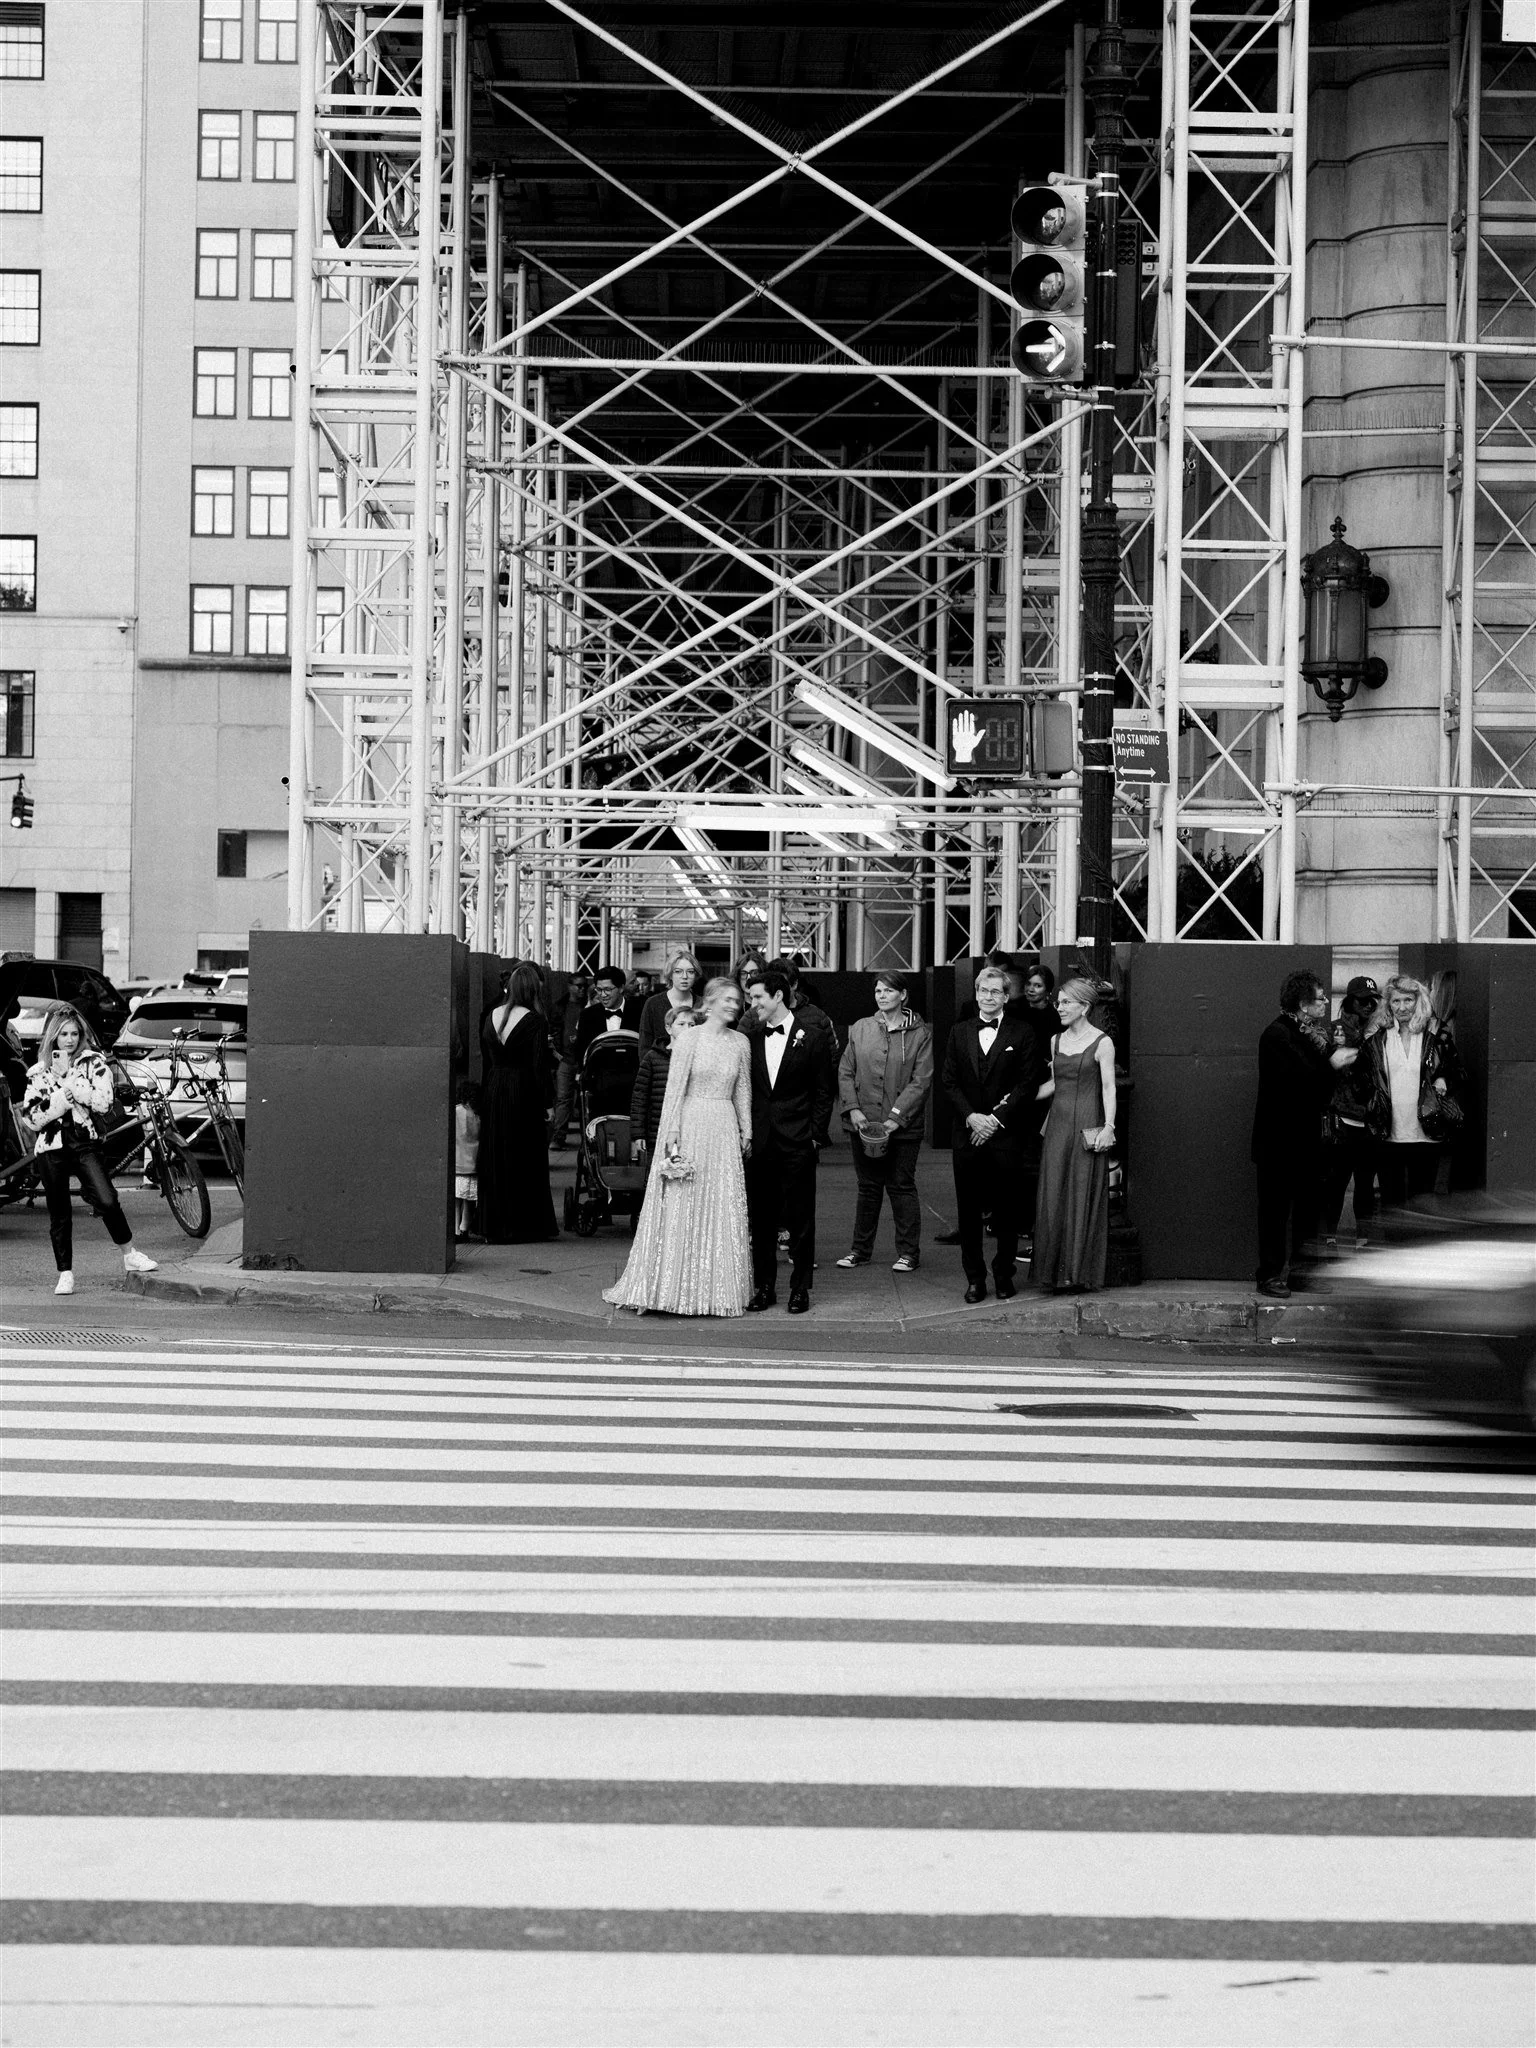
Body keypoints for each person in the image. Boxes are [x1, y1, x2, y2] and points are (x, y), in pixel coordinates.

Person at [603, 978, 752, 1317]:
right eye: (727, 999)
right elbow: (674, 1089)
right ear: (709, 1002)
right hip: (691, 1121)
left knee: (722, 1203)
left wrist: (748, 1130)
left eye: (737, 1000)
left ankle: (715, 1291)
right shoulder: (688, 1039)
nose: (734, 1005)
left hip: (724, 1126)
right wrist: (671, 1131)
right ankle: (670, 1286)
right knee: (683, 1203)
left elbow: (742, 1089)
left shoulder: (741, 1043)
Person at [20, 1005, 157, 1296]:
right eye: (63, 1034)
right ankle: (65, 1273)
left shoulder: (93, 1063)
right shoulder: (38, 1071)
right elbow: (31, 1118)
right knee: (60, 1212)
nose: (68, 1040)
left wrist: (74, 1085)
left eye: (74, 1034)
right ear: (53, 1037)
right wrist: (60, 1094)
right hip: (52, 1147)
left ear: (81, 1035)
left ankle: (129, 1254)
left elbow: (104, 1102)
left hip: (84, 1142)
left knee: (106, 1199)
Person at [939, 964, 1046, 1303]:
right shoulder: (959, 1031)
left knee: (1007, 1211)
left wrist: (995, 1120)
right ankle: (974, 1279)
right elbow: (949, 1081)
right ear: (976, 994)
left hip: (1006, 1136)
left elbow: (1027, 1084)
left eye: (995, 991)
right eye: (983, 991)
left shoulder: (1023, 1032)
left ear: (1006, 996)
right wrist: (972, 1118)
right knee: (968, 1211)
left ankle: (1003, 1275)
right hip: (967, 1134)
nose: (988, 997)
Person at [1251, 969, 1354, 1298]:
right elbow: (1302, 1080)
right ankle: (1269, 1275)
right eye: (1319, 998)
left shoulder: (1312, 1035)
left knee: (1307, 1210)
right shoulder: (1277, 1035)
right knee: (1275, 1212)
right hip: (1278, 1143)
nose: (1325, 1003)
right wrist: (1332, 1065)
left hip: (1307, 1141)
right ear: (1302, 1004)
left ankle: (1300, 1273)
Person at [744, 965, 837, 1314]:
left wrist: (815, 1135)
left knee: (800, 1218)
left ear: (778, 995)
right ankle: (764, 1287)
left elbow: (824, 1091)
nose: (753, 1004)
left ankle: (800, 1288)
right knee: (762, 1219)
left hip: (798, 1140)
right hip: (761, 1141)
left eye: (757, 997)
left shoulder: (811, 1037)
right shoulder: (750, 1039)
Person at [836, 971, 933, 1274]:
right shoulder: (862, 1028)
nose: (881, 995)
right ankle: (859, 1250)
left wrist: (895, 1118)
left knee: (901, 1186)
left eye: (888, 990)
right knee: (868, 1188)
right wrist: (852, 1109)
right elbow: (845, 1070)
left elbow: (922, 1080)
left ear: (903, 995)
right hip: (863, 1125)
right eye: (878, 990)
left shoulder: (920, 1034)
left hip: (904, 1127)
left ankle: (908, 1253)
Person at [1030, 976, 1118, 1294]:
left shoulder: (1103, 1042)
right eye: (1059, 1002)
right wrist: (1018, 1098)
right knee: (1053, 1194)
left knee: (1081, 1194)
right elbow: (1054, 1084)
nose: (1060, 1007)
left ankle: (1078, 1274)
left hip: (1087, 1126)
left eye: (1066, 1002)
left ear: (1084, 1006)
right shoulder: (1055, 1041)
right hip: (1057, 1127)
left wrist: (1109, 1127)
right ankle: (1053, 1274)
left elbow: (1109, 1087)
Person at [1365, 973, 1466, 1218]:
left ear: (1418, 1001)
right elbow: (1364, 1079)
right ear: (1388, 1004)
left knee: (1422, 1203)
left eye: (1408, 1001)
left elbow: (1459, 1072)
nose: (1402, 1007)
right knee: (1392, 1203)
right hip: (1388, 1132)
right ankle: (1394, 1254)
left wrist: (1443, 1078)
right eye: (1396, 1001)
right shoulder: (1378, 1039)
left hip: (1426, 1130)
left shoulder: (1435, 1035)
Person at [480, 963, 559, 1243]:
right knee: (524, 1154)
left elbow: (487, 1058)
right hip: (522, 1091)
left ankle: (494, 1225)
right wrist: (548, 1104)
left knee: (494, 1152)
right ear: (531, 989)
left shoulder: (492, 1015)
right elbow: (539, 1067)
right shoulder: (536, 1021)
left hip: (494, 1087)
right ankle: (524, 1225)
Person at [1320, 978, 1384, 1249]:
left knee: (1366, 1184)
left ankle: (1363, 1238)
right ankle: (1330, 1236)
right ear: (1348, 1001)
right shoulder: (1334, 1030)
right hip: (1342, 1119)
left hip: (1369, 1120)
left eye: (1372, 1000)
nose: (1368, 1005)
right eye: (1362, 1000)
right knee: (1337, 1182)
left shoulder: (1379, 1032)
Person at [630, 1005, 700, 1194]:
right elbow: (640, 1097)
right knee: (657, 1176)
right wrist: (638, 1133)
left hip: (689, 1129)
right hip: (656, 1129)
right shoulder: (653, 1058)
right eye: (682, 1024)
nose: (688, 1028)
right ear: (669, 1028)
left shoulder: (699, 1058)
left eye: (692, 1024)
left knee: (685, 1177)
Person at [548, 970, 592, 1150]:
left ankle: (587, 1139)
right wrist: (557, 1056)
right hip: (566, 1059)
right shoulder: (560, 1007)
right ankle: (558, 1137)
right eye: (578, 986)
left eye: (584, 986)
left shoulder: (590, 1007)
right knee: (563, 1099)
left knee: (586, 1099)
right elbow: (553, 1030)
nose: (582, 989)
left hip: (584, 1060)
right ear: (570, 986)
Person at [638, 950, 702, 1057]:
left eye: (690, 971)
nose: (684, 976)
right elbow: (645, 1046)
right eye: (678, 971)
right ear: (670, 974)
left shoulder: (703, 1005)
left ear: (696, 975)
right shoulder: (653, 1003)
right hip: (660, 1070)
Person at [573, 963, 642, 1060]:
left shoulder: (640, 1012)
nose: (603, 995)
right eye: (599, 990)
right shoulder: (587, 1015)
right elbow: (581, 1052)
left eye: (607, 989)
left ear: (621, 988)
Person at [454, 1080, 481, 1242]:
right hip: (473, 1163)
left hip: (457, 1163)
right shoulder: (478, 1115)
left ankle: (455, 1229)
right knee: (468, 1201)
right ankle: (465, 1226)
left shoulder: (455, 1112)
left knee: (456, 1200)